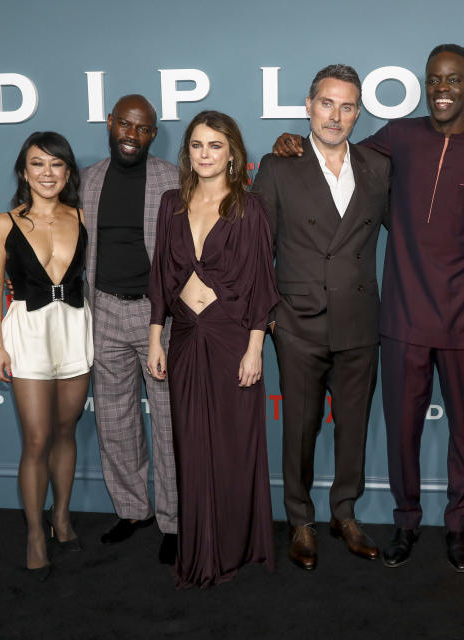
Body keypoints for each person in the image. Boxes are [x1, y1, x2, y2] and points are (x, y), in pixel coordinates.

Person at [272, 44, 464, 570]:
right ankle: (406, 522)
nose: (443, 89)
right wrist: (288, 142)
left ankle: (457, 526)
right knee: (401, 429)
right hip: (402, 316)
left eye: (454, 80)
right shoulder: (396, 139)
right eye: (434, 80)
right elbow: (331, 149)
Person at [253, 64, 390, 571]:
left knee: (352, 428)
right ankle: (300, 520)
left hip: (359, 320)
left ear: (359, 112)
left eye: (347, 105)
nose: (336, 115)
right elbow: (256, 249)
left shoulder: (378, 167)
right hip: (298, 321)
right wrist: (269, 316)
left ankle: (345, 514)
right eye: (327, 103)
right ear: (309, 106)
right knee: (300, 429)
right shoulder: (277, 166)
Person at [147, 110, 279, 588]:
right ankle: (198, 544)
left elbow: (263, 284)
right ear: (188, 153)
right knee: (190, 444)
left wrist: (255, 348)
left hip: (231, 339)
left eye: (215, 146)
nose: (205, 154)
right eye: (197, 146)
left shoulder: (250, 207)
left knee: (233, 445)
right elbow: (160, 277)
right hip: (183, 338)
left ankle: (236, 546)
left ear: (232, 154)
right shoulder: (170, 204)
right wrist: (155, 339)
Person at [0, 131, 92, 581]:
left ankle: (61, 515)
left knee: (67, 430)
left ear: (68, 172)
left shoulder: (84, 217)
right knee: (36, 439)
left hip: (74, 330)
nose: (47, 173)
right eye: (37, 164)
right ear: (23, 171)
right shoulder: (3, 224)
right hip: (26, 332)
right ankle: (33, 532)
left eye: (56, 164)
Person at [83, 95, 178, 557]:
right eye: (125, 124)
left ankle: (175, 522)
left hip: (158, 314)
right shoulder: (88, 180)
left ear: (153, 135)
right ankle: (131, 509)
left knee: (169, 419)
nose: (131, 135)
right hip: (103, 308)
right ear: (110, 123)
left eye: (142, 129)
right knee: (115, 418)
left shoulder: (173, 178)